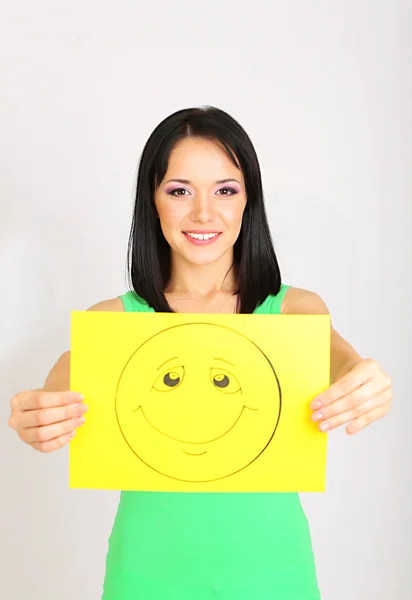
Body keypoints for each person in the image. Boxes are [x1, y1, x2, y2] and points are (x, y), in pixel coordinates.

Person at [8, 106, 392, 599]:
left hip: (274, 576)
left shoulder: (294, 310)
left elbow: (344, 362)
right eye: (180, 190)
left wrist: (366, 380)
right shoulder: (112, 321)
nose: (204, 213)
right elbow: (55, 389)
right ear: (153, 201)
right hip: (145, 577)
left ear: (248, 202)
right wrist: (33, 415)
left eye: (225, 190)